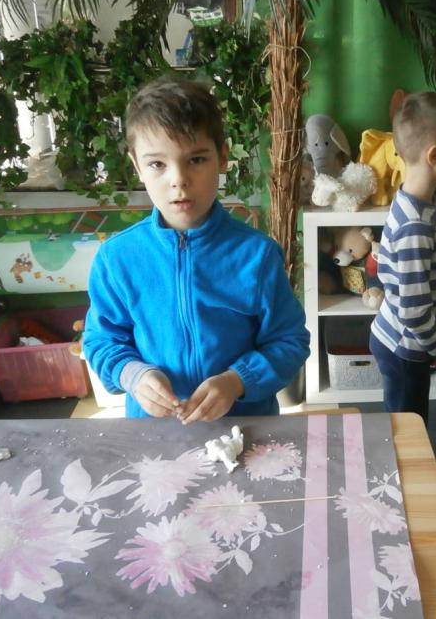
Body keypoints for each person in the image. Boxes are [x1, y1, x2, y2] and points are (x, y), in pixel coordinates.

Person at [84, 75, 309, 423]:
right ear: (137, 166)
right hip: (156, 431)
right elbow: (101, 341)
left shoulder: (258, 256)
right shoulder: (116, 259)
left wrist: (236, 381)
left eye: (196, 159)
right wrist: (133, 375)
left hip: (244, 427)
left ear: (223, 157)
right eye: (157, 164)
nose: (178, 180)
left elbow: (289, 341)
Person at [369, 91, 436, 421]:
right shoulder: (414, 226)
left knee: (407, 419)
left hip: (407, 340)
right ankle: (405, 456)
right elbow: (414, 310)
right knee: (409, 425)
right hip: (406, 346)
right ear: (435, 155)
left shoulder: (417, 204)